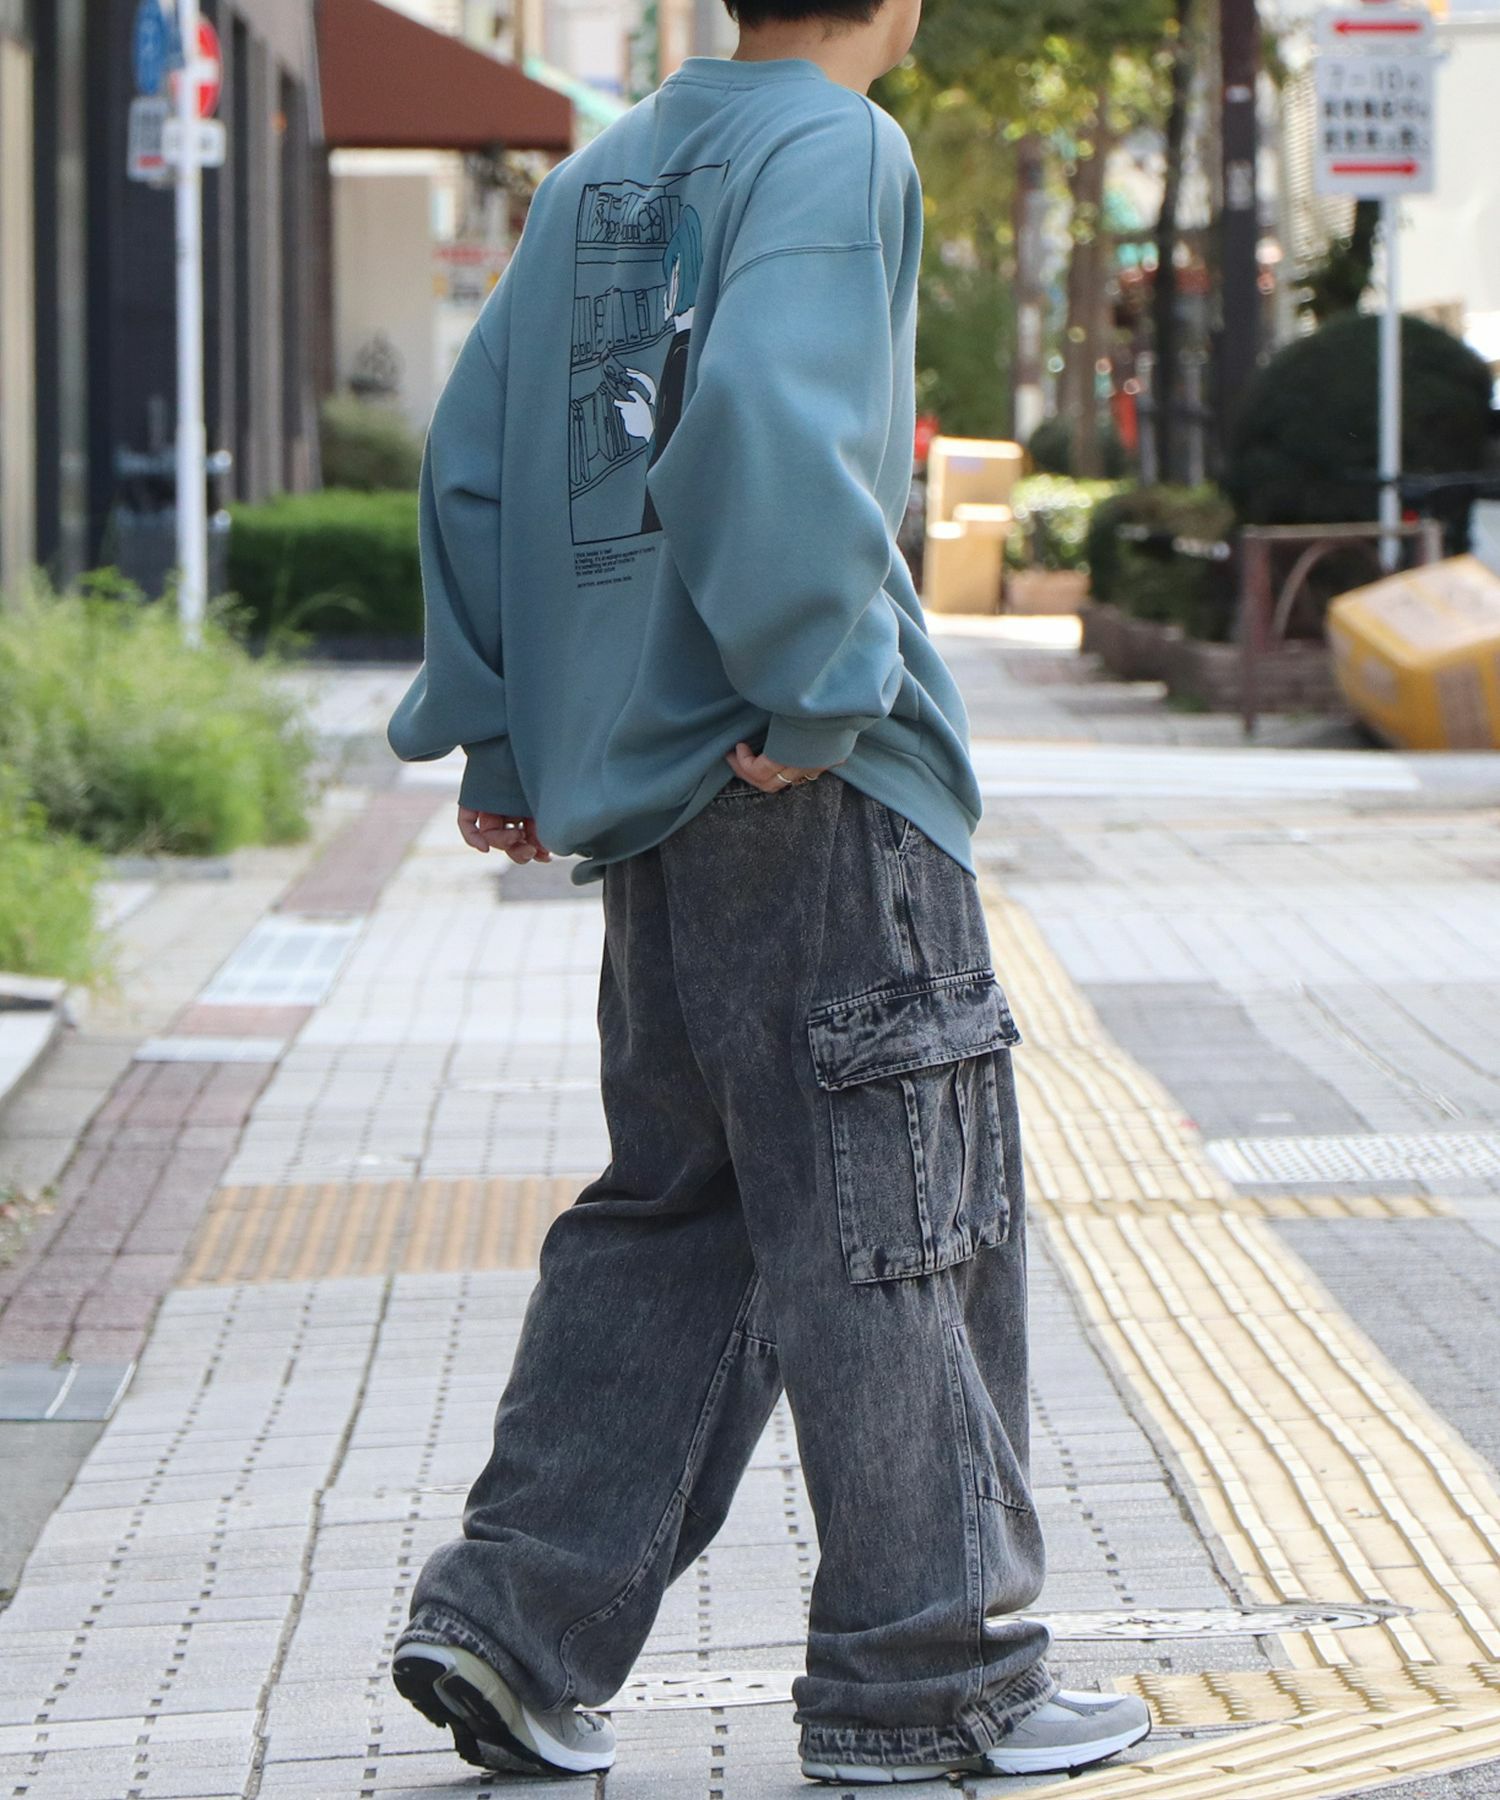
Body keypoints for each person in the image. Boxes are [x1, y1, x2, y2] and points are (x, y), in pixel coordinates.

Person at [385, 0, 1152, 1784]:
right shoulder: (835, 144)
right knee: (898, 1218)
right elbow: (762, 427)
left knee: (683, 1210)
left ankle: (513, 1622)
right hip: (811, 782)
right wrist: (818, 694)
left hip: (654, 797)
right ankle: (933, 1680)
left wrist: (502, 733)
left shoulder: (604, 173)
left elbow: (477, 462)